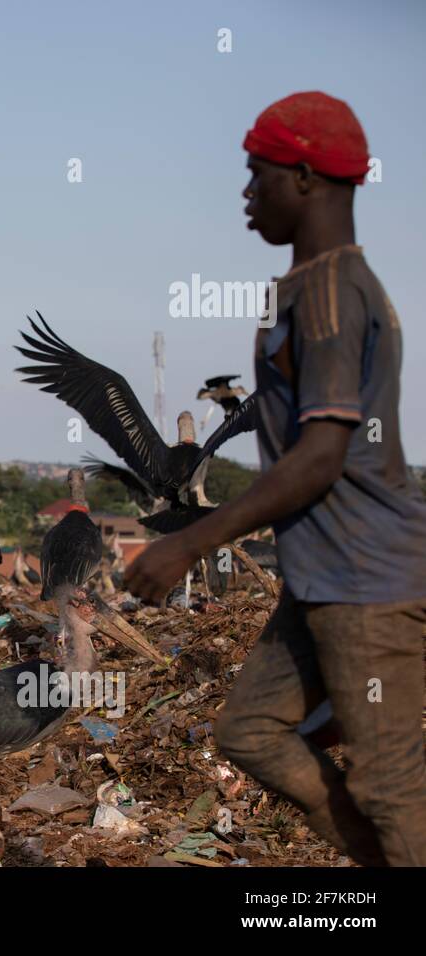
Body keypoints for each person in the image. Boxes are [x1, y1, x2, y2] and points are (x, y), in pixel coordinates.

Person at [127, 92, 426, 865]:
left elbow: (322, 455)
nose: (246, 193)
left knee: (392, 788)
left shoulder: (332, 294)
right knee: (250, 731)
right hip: (322, 578)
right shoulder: (307, 288)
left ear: (302, 177)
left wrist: (189, 543)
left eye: (256, 174)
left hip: (366, 581)